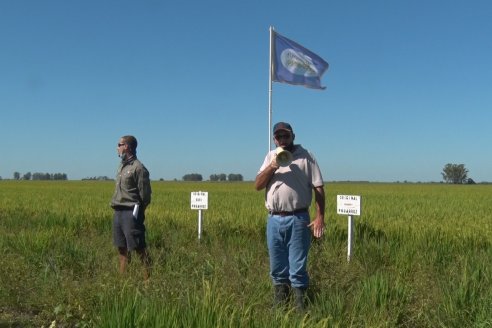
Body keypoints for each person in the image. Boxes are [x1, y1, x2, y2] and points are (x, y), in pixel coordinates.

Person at [255, 122, 325, 311]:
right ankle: (280, 306)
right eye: (279, 137)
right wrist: (272, 166)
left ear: (293, 136)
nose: (283, 140)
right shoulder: (270, 156)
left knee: (297, 265)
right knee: (277, 267)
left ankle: (300, 308)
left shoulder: (306, 156)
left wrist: (320, 217)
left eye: (286, 136)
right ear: (274, 139)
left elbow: (318, 187)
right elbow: (258, 185)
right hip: (274, 219)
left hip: (298, 218)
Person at [110, 135, 152, 280]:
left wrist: (138, 214)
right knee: (121, 248)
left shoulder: (138, 168)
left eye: (119, 144)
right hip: (118, 212)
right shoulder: (122, 166)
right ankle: (122, 280)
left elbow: (145, 196)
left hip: (130, 212)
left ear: (127, 146)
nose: (117, 147)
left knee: (138, 247)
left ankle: (148, 280)